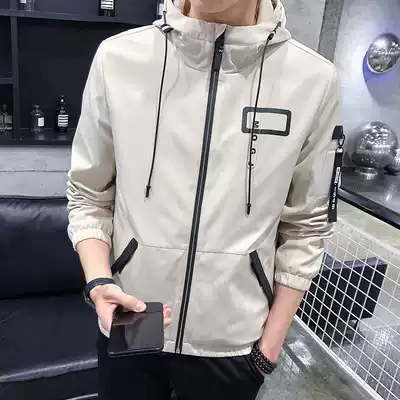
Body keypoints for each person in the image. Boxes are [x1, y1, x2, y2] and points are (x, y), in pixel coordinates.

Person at [67, 0, 341, 398]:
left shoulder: (312, 80)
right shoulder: (119, 59)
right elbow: (89, 193)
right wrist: (99, 281)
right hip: (132, 320)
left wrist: (269, 347)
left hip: (234, 344)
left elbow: (307, 224)